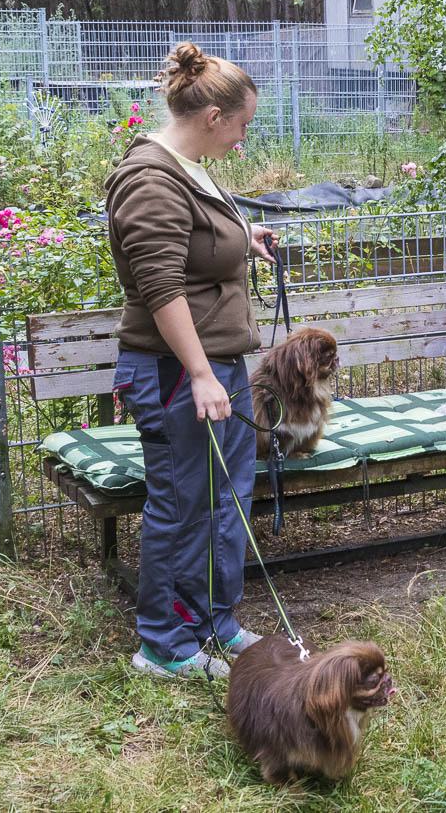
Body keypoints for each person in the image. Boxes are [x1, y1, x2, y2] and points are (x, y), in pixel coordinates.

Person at [105, 42, 280, 679]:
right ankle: (163, 645)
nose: (243, 138)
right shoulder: (150, 178)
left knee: (224, 502)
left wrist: (243, 239)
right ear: (212, 117)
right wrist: (203, 374)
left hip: (218, 368)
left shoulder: (191, 167)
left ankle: (214, 622)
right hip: (178, 373)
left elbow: (197, 241)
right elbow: (161, 288)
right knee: (183, 506)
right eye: (242, 125)